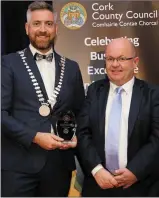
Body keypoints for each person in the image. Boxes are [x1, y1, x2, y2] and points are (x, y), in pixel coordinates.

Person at [1, 1, 85, 197]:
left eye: (48, 24)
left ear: (56, 28)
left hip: (59, 166)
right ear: (27, 28)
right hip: (17, 166)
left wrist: (76, 136)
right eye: (37, 23)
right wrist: (34, 137)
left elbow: (81, 112)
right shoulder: (7, 64)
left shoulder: (72, 67)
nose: (42, 30)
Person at [76, 38, 159, 197]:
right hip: (98, 185)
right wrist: (97, 169)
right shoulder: (94, 91)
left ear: (135, 62)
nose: (115, 64)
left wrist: (135, 172)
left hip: (140, 186)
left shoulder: (152, 94)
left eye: (122, 59)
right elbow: (83, 132)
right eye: (110, 59)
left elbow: (156, 138)